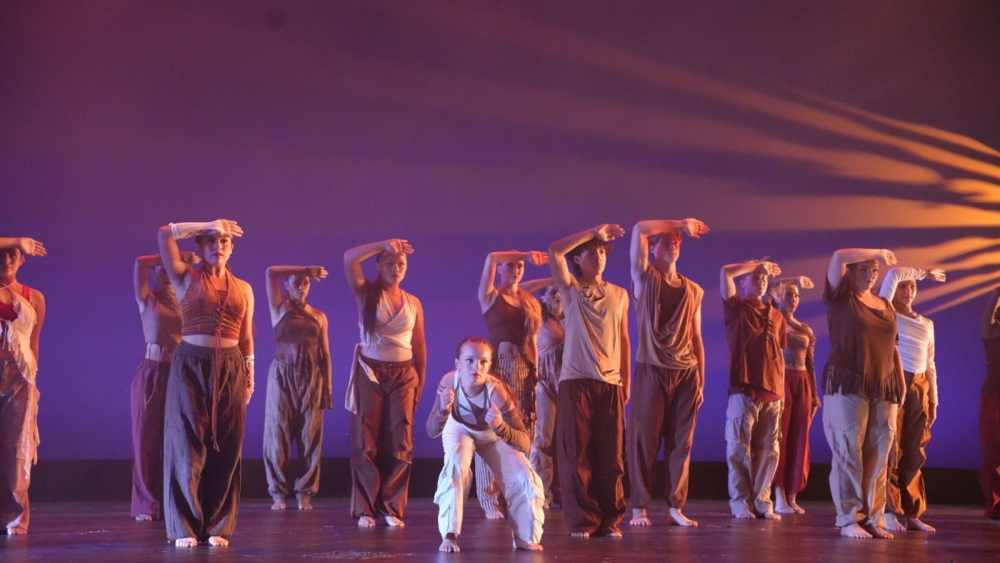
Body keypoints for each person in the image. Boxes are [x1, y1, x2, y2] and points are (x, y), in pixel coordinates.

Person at [158, 219, 254, 548]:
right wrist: (207, 224)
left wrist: (250, 375)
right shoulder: (186, 278)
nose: (218, 245)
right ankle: (185, 526)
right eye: (210, 240)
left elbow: (247, 337)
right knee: (186, 445)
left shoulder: (244, 288)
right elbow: (164, 234)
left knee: (227, 446)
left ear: (232, 248)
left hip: (231, 366)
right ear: (199, 247)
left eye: (224, 240)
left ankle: (217, 525)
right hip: (191, 364)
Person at [548, 224, 630, 538]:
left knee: (611, 455)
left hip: (610, 383)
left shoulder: (619, 294)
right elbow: (555, 250)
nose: (598, 257)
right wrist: (593, 232)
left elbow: (624, 338)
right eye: (591, 252)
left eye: (601, 252)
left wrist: (626, 382)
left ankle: (609, 520)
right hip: (576, 381)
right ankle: (584, 520)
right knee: (576, 454)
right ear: (578, 259)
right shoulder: (571, 289)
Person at [627, 219, 708, 528]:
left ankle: (676, 506)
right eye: (666, 241)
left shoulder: (693, 290)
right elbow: (639, 229)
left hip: (686, 372)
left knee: (681, 442)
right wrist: (680, 224)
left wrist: (701, 381)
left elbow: (696, 337)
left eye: (677, 242)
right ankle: (639, 506)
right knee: (644, 440)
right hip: (652, 367)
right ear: (653, 249)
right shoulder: (644, 278)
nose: (674, 245)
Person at [429, 337, 544, 553]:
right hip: (459, 429)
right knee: (455, 464)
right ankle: (449, 535)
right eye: (470, 360)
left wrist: (500, 426)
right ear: (458, 363)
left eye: (483, 362)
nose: (477, 367)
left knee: (522, 475)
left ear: (490, 364)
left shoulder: (497, 392)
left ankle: (523, 536)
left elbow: (524, 442)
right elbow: (431, 431)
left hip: (492, 433)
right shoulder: (449, 382)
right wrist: (443, 411)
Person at [344, 239, 426, 527]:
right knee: (365, 441)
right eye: (389, 263)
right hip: (371, 372)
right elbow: (349, 258)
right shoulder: (366, 293)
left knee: (400, 440)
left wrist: (420, 384)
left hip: (403, 375)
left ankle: (391, 507)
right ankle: (366, 509)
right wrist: (383, 244)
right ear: (378, 265)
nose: (395, 269)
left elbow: (419, 346)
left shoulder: (413, 302)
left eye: (401, 264)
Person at [822, 248, 902, 539]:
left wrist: (900, 384)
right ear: (850, 273)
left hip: (884, 387)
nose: (871, 275)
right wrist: (877, 252)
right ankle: (848, 519)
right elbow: (837, 256)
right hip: (848, 383)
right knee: (849, 452)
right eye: (864, 270)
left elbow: (893, 347)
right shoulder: (841, 298)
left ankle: (872, 517)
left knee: (879, 455)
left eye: (874, 271)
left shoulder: (884, 303)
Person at [474, 250, 550, 518]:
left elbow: (532, 342)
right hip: (498, 369)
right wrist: (527, 256)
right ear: (501, 269)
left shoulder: (528, 301)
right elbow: (491, 257)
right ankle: (489, 499)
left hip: (523, 369)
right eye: (511, 266)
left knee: (521, 431)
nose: (516, 270)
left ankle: (517, 494)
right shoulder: (491, 297)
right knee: (491, 429)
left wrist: (536, 374)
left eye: (520, 266)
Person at [877, 267, 944, 533]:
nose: (908, 291)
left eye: (913, 286)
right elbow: (894, 273)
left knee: (916, 449)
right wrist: (924, 272)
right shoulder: (887, 312)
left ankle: (912, 511)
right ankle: (889, 510)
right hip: (896, 381)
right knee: (893, 447)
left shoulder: (926, 323)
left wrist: (934, 399)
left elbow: (930, 363)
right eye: (904, 286)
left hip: (920, 386)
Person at [130, 251, 196, 521]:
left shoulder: (187, 301)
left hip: (179, 376)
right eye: (161, 267)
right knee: (145, 441)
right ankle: (145, 504)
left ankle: (176, 502)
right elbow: (139, 262)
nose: (166, 272)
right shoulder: (148, 299)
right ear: (154, 272)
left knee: (179, 441)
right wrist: (169, 254)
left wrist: (183, 262)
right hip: (151, 374)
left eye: (170, 267)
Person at [720, 260, 787, 521]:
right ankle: (740, 502)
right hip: (744, 389)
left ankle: (762, 500)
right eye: (755, 277)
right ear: (742, 282)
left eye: (764, 277)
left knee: (769, 450)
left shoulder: (777, 316)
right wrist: (757, 264)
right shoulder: (736, 307)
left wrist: (782, 391)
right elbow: (725, 272)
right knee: (739, 448)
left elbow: (779, 356)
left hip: (772, 391)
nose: (761, 280)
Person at [262, 266, 332, 511]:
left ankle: (305, 492)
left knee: (310, 435)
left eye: (306, 283)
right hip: (282, 375)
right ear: (287, 285)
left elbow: (325, 353)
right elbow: (270, 273)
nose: (302, 287)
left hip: (311, 376)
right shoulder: (279, 308)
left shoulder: (319, 316)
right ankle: (278, 492)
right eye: (297, 283)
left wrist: (328, 387)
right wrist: (305, 269)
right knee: (277, 433)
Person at [0, 237, 46, 536]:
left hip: (20, 379)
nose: (6, 261)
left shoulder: (34, 297)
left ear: (22, 260)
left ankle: (16, 515)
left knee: (16, 447)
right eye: (2, 255)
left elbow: (33, 344)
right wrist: (17, 240)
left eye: (13, 255)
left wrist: (33, 383)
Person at [768, 277, 819, 515]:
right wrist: (794, 279)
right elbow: (771, 287)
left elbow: (810, 364)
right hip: (781, 381)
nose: (794, 299)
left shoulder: (805, 329)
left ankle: (792, 495)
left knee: (800, 439)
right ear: (778, 297)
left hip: (802, 383)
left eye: (797, 295)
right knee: (780, 438)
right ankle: (778, 494)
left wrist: (815, 395)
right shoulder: (773, 320)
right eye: (788, 294)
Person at [530, 284, 563, 509]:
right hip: (544, 383)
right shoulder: (538, 318)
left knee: (566, 441)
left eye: (560, 291)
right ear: (542, 297)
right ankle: (542, 492)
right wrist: (550, 276)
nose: (558, 295)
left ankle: (562, 491)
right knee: (543, 439)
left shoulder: (571, 317)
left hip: (567, 383)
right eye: (552, 292)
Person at [981, 287, 1000, 525]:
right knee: (994, 451)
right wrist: (997, 291)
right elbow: (987, 317)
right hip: (995, 397)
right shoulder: (992, 332)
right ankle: (996, 507)